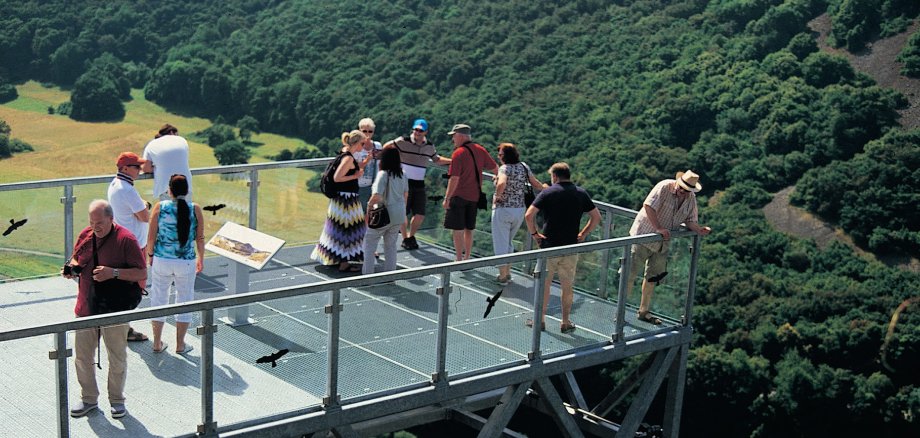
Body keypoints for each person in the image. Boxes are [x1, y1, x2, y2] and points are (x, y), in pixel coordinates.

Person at [63, 200, 147, 419]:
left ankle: (117, 401)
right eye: (91, 222)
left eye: (99, 222)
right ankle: (89, 399)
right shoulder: (86, 235)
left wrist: (114, 273)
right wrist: (72, 268)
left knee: (116, 356)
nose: (95, 227)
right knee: (82, 357)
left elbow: (141, 273)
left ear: (111, 219)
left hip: (114, 309)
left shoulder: (126, 240)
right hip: (86, 306)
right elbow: (76, 257)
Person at [627, 169, 712, 325]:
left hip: (663, 243)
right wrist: (658, 228)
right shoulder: (664, 187)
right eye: (681, 187)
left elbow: (690, 220)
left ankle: (643, 311)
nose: (682, 191)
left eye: (687, 190)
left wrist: (699, 230)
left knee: (653, 277)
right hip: (644, 236)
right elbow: (648, 206)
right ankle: (620, 312)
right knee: (629, 274)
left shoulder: (690, 198)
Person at [524, 163, 601, 333]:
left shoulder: (548, 192)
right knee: (567, 286)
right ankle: (565, 322)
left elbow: (529, 215)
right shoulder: (580, 193)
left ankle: (540, 321)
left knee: (544, 284)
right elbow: (596, 217)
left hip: (549, 246)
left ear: (555, 177)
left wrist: (535, 235)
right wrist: (583, 234)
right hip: (570, 246)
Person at [146, 174, 205, 354]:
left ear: (169, 190)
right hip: (185, 262)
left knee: (158, 299)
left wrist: (150, 255)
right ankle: (180, 345)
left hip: (162, 260)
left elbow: (151, 236)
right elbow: (200, 237)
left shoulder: (159, 207)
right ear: (187, 191)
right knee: (184, 300)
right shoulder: (195, 209)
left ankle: (157, 342)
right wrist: (201, 258)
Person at [384, 119, 451, 250]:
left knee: (420, 214)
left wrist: (453, 161)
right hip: (404, 181)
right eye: (415, 130)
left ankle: (411, 235)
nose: (417, 133)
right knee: (403, 211)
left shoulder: (429, 146)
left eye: (420, 130)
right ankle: (405, 238)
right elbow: (387, 146)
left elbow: (436, 159)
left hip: (419, 183)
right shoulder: (403, 141)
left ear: (426, 132)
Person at [107, 152, 151, 343]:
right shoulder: (128, 190)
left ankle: (120, 326)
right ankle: (123, 329)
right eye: (136, 166)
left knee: (125, 287)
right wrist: (146, 205)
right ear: (125, 168)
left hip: (124, 242)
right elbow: (144, 216)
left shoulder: (115, 184)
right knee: (134, 288)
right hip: (135, 245)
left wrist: (142, 206)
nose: (140, 170)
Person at [311, 130, 367, 273]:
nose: (364, 145)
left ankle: (337, 258)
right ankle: (345, 262)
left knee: (339, 229)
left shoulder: (345, 153)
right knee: (352, 229)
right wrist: (355, 175)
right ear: (356, 143)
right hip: (347, 200)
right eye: (362, 143)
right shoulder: (348, 158)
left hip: (341, 199)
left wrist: (363, 165)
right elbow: (337, 177)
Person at [491, 143, 547, 283]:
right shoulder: (523, 166)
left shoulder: (504, 168)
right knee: (508, 241)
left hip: (503, 209)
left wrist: (497, 197)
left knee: (500, 243)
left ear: (505, 156)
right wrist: (545, 188)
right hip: (519, 209)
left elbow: (502, 183)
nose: (499, 157)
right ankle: (508, 272)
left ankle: (502, 276)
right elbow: (535, 183)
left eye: (500, 154)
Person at [442, 124, 497, 261]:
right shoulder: (480, 150)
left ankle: (459, 258)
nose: (453, 139)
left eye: (454, 136)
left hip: (458, 195)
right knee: (469, 229)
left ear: (460, 136)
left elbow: (454, 178)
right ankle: (467, 257)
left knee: (458, 229)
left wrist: (447, 198)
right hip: (474, 196)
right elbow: (495, 168)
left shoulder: (458, 153)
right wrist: (497, 177)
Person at [362, 146, 409, 274]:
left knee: (369, 244)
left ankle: (367, 275)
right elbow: (406, 195)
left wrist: (369, 207)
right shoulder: (403, 174)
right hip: (398, 214)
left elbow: (376, 196)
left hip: (384, 214)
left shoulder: (383, 174)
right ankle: (389, 276)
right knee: (391, 247)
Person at [142, 124, 193, 201]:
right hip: (186, 186)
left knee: (168, 211)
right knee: (186, 212)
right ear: (172, 132)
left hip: (165, 187)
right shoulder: (182, 140)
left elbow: (146, 168)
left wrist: (157, 167)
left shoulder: (151, 144)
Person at [355, 118, 383, 209]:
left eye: (370, 131)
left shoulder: (377, 146)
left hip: (372, 186)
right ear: (359, 131)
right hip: (356, 185)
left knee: (370, 214)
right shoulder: (356, 147)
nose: (367, 134)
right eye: (364, 131)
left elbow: (380, 165)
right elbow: (354, 166)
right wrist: (368, 159)